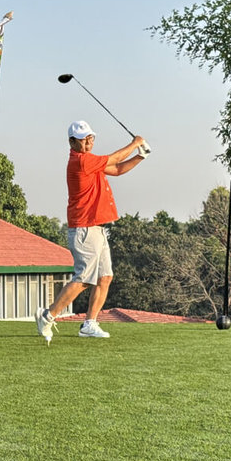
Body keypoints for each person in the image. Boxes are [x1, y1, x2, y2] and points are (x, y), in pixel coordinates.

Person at [35, 120, 148, 344]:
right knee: (84, 279)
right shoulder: (81, 161)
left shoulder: (91, 162)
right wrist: (135, 143)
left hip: (97, 228)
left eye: (90, 138)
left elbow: (116, 169)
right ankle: (48, 315)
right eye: (83, 139)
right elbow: (114, 159)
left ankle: (89, 324)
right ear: (72, 142)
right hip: (84, 229)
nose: (88, 142)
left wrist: (140, 156)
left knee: (105, 277)